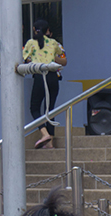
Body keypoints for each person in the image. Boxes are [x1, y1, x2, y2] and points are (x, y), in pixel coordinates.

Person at [23, 19, 66, 149]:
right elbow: (63, 58)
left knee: (34, 108)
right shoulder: (54, 43)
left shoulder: (31, 43)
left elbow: (24, 58)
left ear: (34, 30)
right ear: (48, 30)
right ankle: (50, 143)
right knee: (51, 109)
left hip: (40, 76)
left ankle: (44, 133)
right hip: (53, 76)